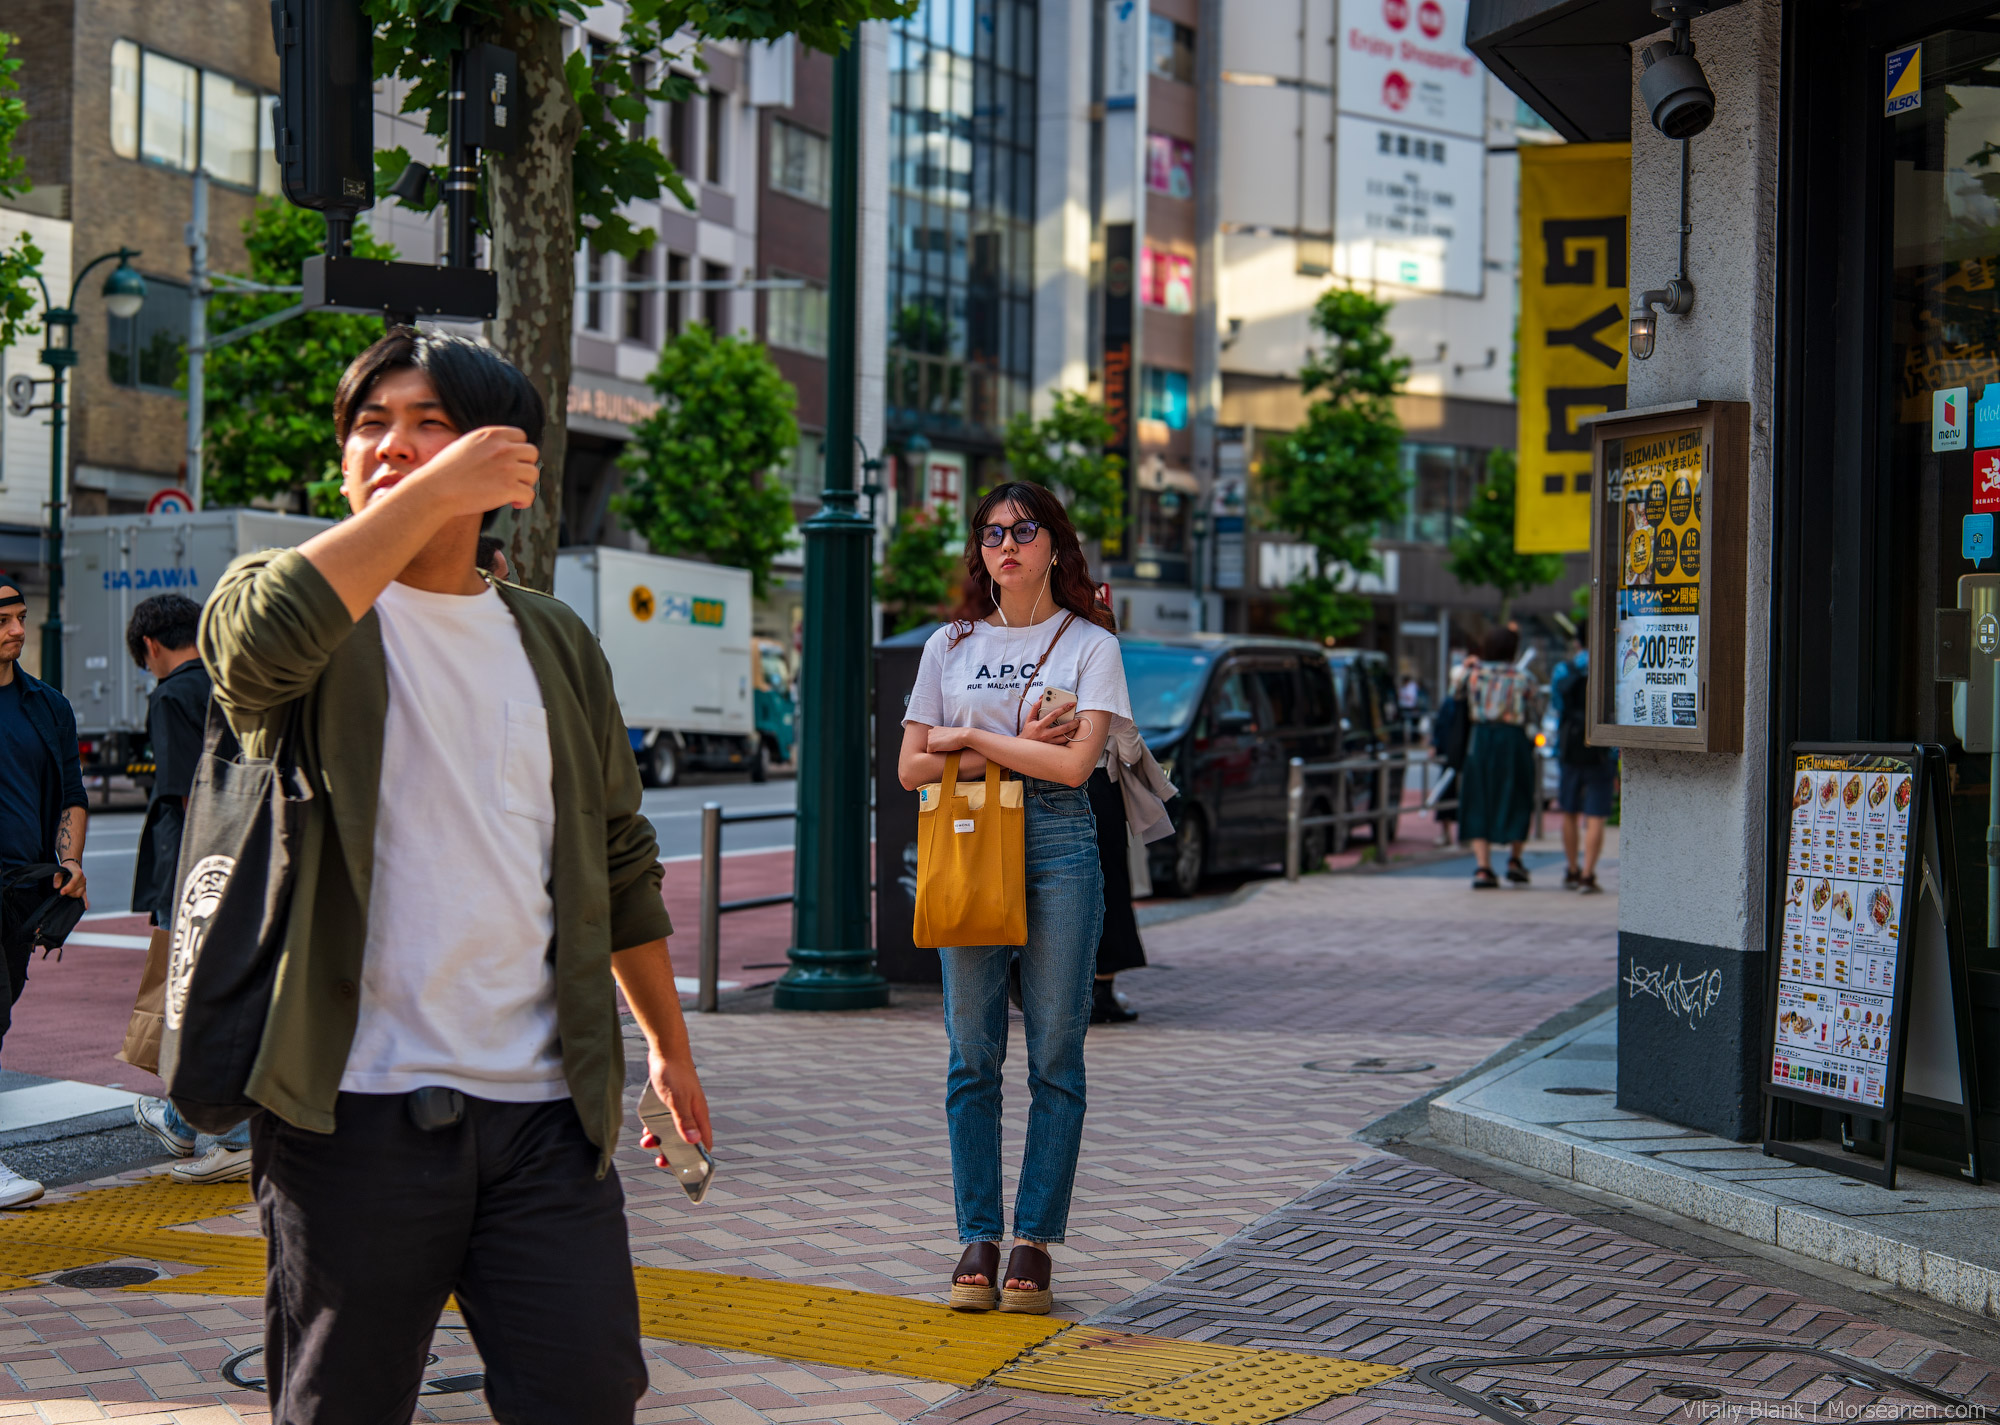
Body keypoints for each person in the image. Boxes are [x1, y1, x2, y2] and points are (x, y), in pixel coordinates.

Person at [199, 328, 711, 1423]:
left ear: (509, 462)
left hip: (541, 1112)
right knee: (343, 1403)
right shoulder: (297, 607)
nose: (393, 445)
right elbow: (249, 652)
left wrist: (668, 1050)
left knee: (588, 1390)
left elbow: (618, 855)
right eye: (370, 425)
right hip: (350, 1112)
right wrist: (420, 495)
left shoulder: (556, 641)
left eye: (429, 422)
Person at [899, 480, 1131, 1316]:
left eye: (1024, 530)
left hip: (1061, 842)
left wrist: (965, 737)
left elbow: (1074, 769)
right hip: (967, 839)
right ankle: (978, 1233)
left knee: (1056, 1053)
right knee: (972, 1053)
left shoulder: (1089, 644)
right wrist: (1000, 748)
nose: (1008, 543)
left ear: (1054, 546)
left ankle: (1033, 1238)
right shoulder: (948, 645)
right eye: (993, 532)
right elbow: (912, 768)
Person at [119, 595, 256, 1183]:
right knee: (222, 993)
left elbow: (180, 792)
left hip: (197, 866)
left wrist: (180, 885)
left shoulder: (173, 694)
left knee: (192, 998)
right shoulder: (236, 682)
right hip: (247, 855)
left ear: (151, 646)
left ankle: (227, 1131)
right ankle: (183, 1119)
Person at [0, 576, 88, 1208]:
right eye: (4, 620)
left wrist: (70, 860)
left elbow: (72, 795)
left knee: (0, 1016)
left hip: (23, 890)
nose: (18, 631)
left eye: (22, 618)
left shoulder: (47, 706)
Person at [1456, 625, 1539, 890]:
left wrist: (1468, 665)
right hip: (1513, 740)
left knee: (1478, 797)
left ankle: (1483, 867)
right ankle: (1515, 860)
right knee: (1517, 794)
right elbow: (1534, 707)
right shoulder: (1524, 678)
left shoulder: (1472, 674)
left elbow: (1454, 694)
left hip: (1480, 740)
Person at [1552, 620, 1613, 893]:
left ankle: (1572, 870)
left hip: (1569, 748)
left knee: (1569, 811)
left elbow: (1557, 705)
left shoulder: (1563, 669)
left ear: (1577, 641)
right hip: (1602, 748)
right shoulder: (1610, 666)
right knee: (1596, 814)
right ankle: (1588, 874)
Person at [1429, 655, 1472, 847]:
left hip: (1463, 754)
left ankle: (1465, 834)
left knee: (1463, 796)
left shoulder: (1469, 702)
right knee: (1447, 794)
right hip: (1450, 753)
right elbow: (1440, 725)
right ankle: (1448, 834)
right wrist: (1435, 745)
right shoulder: (1449, 702)